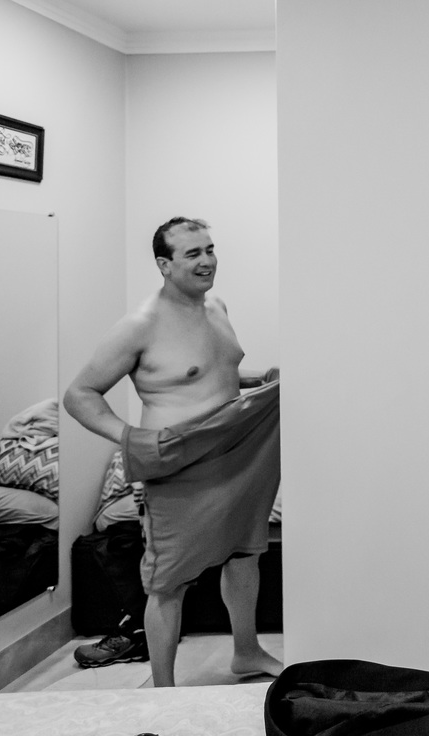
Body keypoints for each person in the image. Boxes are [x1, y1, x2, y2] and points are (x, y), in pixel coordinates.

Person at [64, 216, 283, 686]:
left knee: (245, 556)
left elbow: (210, 373)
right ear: (164, 265)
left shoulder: (217, 307)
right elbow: (79, 394)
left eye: (210, 249)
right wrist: (129, 436)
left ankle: (246, 651)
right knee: (169, 581)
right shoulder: (140, 326)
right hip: (176, 467)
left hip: (232, 456)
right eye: (192, 254)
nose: (207, 261)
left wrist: (259, 380)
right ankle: (163, 689)